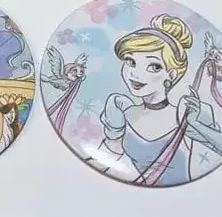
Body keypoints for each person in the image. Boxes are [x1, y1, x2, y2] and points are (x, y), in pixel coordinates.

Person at [89, 14, 222, 186]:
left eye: (154, 66)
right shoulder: (121, 108)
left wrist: (197, 125)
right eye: (130, 61)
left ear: (171, 75)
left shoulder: (185, 113)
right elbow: (108, 154)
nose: (136, 74)